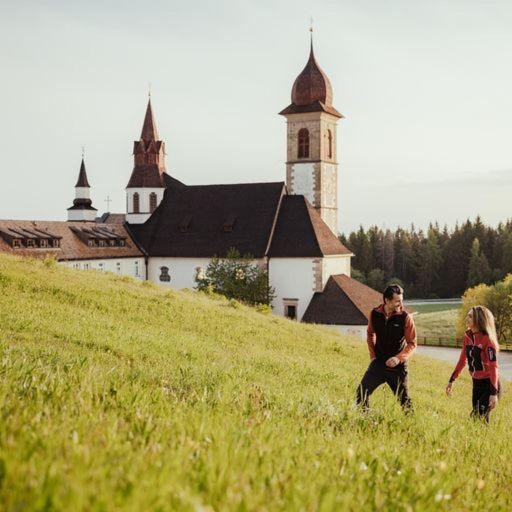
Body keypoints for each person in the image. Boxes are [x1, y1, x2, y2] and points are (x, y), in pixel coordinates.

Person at [356, 284, 417, 412]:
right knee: (361, 393)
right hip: (378, 363)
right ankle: (366, 421)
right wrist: (373, 356)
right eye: (397, 301)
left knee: (405, 402)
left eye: (401, 300)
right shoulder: (375, 314)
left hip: (397, 368)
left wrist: (399, 358)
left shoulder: (405, 317)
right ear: (387, 300)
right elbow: (370, 333)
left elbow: (412, 343)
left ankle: (411, 427)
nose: (400, 304)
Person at [445, 306, 500, 423]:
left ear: (479, 319)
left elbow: (494, 367)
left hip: (490, 385)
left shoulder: (488, 339)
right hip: (476, 384)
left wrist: (493, 393)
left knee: (475, 418)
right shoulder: (467, 337)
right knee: (481, 421)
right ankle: (485, 441)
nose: (467, 318)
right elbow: (462, 361)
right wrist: (451, 380)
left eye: (470, 316)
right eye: (467, 315)